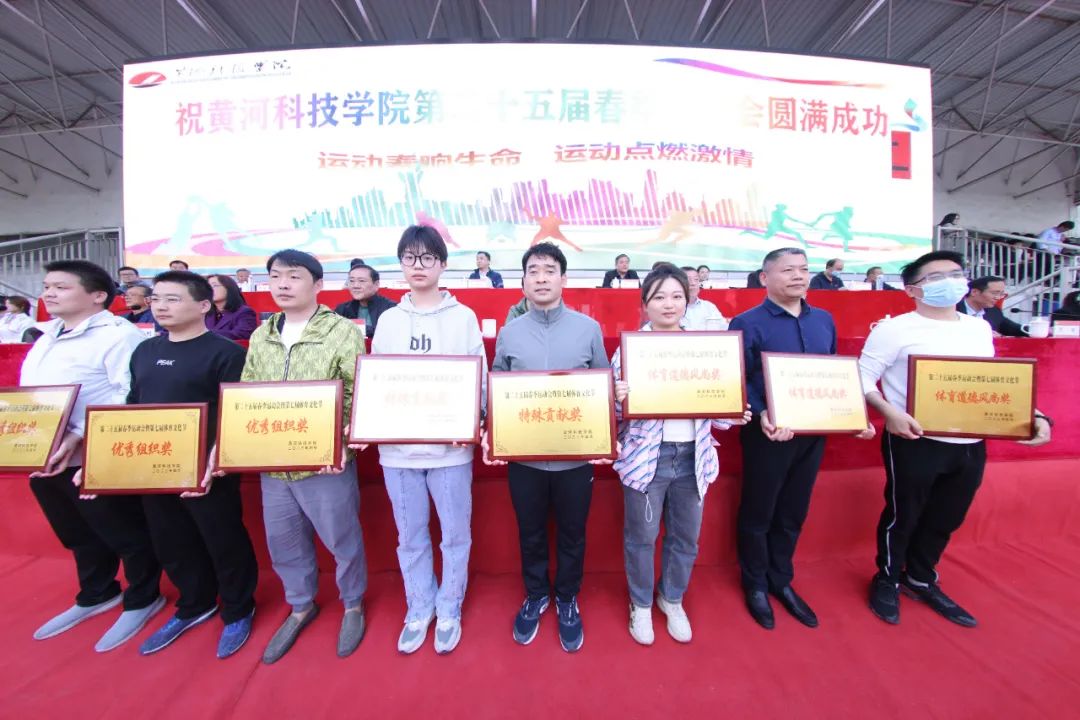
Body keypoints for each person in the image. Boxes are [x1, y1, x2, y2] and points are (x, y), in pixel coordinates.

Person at [859, 251, 1051, 628]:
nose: (950, 281)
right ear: (912, 289)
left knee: (948, 515)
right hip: (914, 437)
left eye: (956, 274)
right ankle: (887, 577)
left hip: (970, 440)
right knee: (903, 513)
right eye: (936, 277)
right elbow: (862, 377)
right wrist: (889, 412)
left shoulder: (977, 328)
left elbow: (992, 381)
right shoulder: (894, 329)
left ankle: (920, 577)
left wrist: (1036, 415)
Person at [112, 271, 259, 659]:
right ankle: (195, 603)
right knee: (170, 538)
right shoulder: (144, 351)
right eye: (157, 298)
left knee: (223, 538)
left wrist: (216, 458)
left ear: (204, 305)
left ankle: (238, 608)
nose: (161, 306)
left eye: (173, 299)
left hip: (208, 470)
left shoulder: (226, 353)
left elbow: (236, 413)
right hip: (155, 465)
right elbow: (132, 406)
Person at [19, 260, 164, 652]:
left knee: (123, 531)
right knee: (76, 531)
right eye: (47, 286)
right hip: (44, 450)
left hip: (96, 453)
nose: (49, 293)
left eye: (61, 287)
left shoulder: (118, 335)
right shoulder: (47, 334)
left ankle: (143, 596)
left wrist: (81, 434)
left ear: (98, 295)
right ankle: (97, 592)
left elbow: (129, 392)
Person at [728, 248, 874, 631]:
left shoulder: (823, 320)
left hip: (813, 433)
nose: (798, 276)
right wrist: (763, 411)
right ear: (765, 278)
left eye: (804, 269)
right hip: (769, 433)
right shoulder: (747, 322)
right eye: (788, 270)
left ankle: (781, 579)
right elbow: (737, 377)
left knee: (793, 509)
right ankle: (755, 583)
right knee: (759, 511)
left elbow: (832, 374)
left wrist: (852, 415)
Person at [363, 225, 486, 655]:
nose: (418, 266)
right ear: (401, 264)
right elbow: (377, 380)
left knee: (454, 535)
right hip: (398, 453)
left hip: (450, 451)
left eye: (427, 258)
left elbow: (478, 375)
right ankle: (419, 605)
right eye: (410, 258)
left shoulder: (463, 317)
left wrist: (475, 420)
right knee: (410, 536)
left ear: (442, 265)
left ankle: (449, 606)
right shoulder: (389, 320)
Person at [611, 264, 749, 645]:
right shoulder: (629, 352)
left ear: (688, 300)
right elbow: (613, 416)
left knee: (685, 536)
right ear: (645, 304)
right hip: (646, 459)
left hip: (694, 456)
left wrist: (734, 410)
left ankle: (671, 598)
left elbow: (718, 414)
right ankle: (640, 603)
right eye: (659, 297)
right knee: (641, 536)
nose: (668, 304)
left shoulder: (705, 349)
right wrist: (617, 399)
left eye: (676, 296)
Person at [241, 249, 367, 664]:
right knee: (284, 541)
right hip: (274, 461)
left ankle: (353, 603)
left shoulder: (341, 331)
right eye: (275, 276)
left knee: (341, 537)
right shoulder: (261, 335)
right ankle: (300, 605)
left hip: (325, 459)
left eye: (293, 276)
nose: (282, 284)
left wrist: (340, 441)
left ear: (318, 285)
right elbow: (247, 391)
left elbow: (355, 389)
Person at [487, 242, 609, 653]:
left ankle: (568, 597)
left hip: (575, 459)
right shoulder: (510, 333)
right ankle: (537, 593)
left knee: (573, 533)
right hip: (525, 459)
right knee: (531, 532)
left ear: (563, 279)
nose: (541, 278)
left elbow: (603, 386)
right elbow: (497, 388)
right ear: (523, 281)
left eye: (549, 270)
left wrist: (605, 427)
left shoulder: (587, 329)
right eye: (533, 271)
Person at [333, 263, 397, 339]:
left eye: (362, 281)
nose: (355, 286)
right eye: (351, 281)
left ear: (376, 284)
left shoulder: (391, 308)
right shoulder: (342, 309)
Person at [957, 276, 1025, 337]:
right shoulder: (954, 310)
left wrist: (1030, 328)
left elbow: (1015, 329)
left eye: (1001, 294)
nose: (998, 298)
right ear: (974, 292)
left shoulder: (993, 311)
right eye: (994, 293)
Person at [205, 274, 257, 341]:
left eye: (214, 285)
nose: (209, 290)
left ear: (229, 288)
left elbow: (241, 334)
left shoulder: (245, 312)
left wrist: (205, 335)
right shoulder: (207, 313)